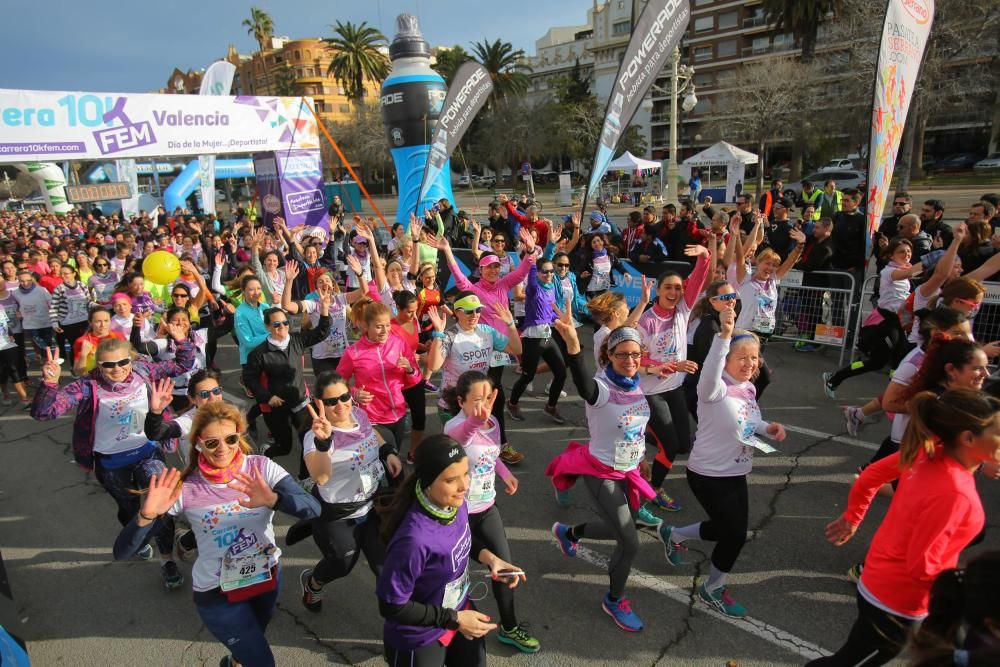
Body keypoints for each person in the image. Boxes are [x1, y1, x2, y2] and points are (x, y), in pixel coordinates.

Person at [112, 401, 321, 667]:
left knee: (248, 647)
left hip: (265, 578)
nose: (223, 449)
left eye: (231, 439)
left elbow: (314, 510)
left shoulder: (262, 468)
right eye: (212, 443)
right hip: (216, 592)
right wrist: (147, 515)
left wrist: (274, 499)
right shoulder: (184, 488)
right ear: (198, 442)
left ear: (239, 436)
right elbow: (122, 553)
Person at [812, 389, 999, 666]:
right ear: (968, 438)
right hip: (896, 603)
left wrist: (854, 516)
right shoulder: (955, 493)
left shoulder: (929, 453)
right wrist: (972, 594)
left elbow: (870, 475)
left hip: (878, 580)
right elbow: (922, 564)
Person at [31, 332, 194, 590]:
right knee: (129, 510)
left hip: (146, 451)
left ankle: (167, 560)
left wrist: (181, 340)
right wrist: (49, 383)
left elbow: (184, 364)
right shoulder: (87, 386)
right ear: (99, 365)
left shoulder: (143, 371)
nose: (116, 369)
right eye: (108, 364)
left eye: (121, 362)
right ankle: (136, 538)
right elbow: (44, 413)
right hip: (111, 463)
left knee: (159, 507)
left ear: (131, 360)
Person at [659, 308, 786, 617]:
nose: (749, 363)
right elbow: (711, 368)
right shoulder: (712, 390)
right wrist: (725, 335)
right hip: (707, 474)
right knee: (735, 535)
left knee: (726, 529)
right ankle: (712, 589)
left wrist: (766, 427)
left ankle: (673, 535)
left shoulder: (749, 387)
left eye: (754, 358)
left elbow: (749, 420)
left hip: (736, 471)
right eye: (741, 357)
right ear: (726, 359)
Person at [547, 322, 660, 633]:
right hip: (601, 473)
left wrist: (643, 459)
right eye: (622, 354)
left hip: (631, 470)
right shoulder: (601, 388)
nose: (630, 360)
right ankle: (614, 600)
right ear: (608, 355)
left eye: (635, 354)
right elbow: (582, 383)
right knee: (629, 540)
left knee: (620, 527)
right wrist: (572, 345)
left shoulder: (634, 383)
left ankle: (569, 533)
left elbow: (634, 428)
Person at [376, 433, 525, 666]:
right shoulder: (413, 540)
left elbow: (461, 537)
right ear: (428, 482)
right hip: (420, 635)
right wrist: (454, 619)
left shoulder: (454, 502)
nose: (464, 485)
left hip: (458, 609)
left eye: (466, 473)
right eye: (451, 480)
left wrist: (491, 558)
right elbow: (392, 605)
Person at [442, 371, 538, 653]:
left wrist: (505, 472)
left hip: (487, 507)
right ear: (460, 401)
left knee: (507, 569)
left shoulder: (492, 421)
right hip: (458, 514)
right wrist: (475, 420)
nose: (484, 406)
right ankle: (437, 625)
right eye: (477, 401)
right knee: (451, 576)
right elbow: (465, 437)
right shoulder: (454, 428)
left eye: (488, 399)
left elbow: (490, 454)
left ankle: (509, 627)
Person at [423, 229, 537, 465]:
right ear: (480, 270)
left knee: (491, 397)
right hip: (472, 345)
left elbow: (524, 270)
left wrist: (531, 250)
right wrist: (446, 251)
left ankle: (493, 441)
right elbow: (457, 275)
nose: (494, 270)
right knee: (491, 396)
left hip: (496, 346)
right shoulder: (474, 290)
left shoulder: (505, 284)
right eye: (488, 267)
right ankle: (491, 443)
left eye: (496, 266)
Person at [298, 371, 403, 613]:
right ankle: (313, 583)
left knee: (386, 566)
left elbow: (370, 433)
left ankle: (397, 629)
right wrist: (323, 444)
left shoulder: (358, 413)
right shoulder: (316, 435)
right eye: (331, 401)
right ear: (319, 404)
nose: (340, 405)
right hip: (338, 513)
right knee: (342, 564)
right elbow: (320, 477)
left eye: (344, 397)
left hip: (372, 504)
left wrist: (387, 451)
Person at [636, 244, 711, 513]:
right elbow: (638, 361)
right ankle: (653, 489)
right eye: (668, 287)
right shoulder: (645, 321)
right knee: (669, 444)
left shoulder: (683, 310)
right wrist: (671, 365)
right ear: (657, 290)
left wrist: (704, 256)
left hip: (675, 389)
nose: (674, 292)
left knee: (681, 445)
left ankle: (638, 437)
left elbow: (700, 278)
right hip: (651, 392)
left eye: (678, 288)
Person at [823, 238, 928, 397]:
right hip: (885, 322)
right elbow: (908, 273)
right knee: (877, 362)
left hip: (899, 321)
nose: (906, 254)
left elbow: (921, 276)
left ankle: (895, 394)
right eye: (901, 251)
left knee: (899, 358)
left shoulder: (905, 270)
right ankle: (835, 377)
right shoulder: (888, 272)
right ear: (891, 255)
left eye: (908, 251)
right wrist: (933, 257)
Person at [244, 299, 331, 475]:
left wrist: (324, 310)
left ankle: (305, 477)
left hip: (301, 402)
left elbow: (321, 333)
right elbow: (250, 379)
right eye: (276, 324)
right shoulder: (259, 353)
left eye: (285, 322)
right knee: (285, 447)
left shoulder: (296, 341)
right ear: (268, 327)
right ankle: (267, 452)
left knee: (310, 440)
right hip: (277, 408)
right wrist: (267, 397)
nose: (282, 327)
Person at [338, 300, 421, 462]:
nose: (385, 331)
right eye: (378, 327)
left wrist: (410, 369)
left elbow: (415, 378)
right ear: (365, 326)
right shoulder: (353, 353)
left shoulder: (398, 343)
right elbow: (339, 385)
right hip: (373, 418)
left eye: (387, 325)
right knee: (389, 460)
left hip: (399, 414)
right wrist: (354, 394)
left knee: (390, 461)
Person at [506, 257, 568, 425]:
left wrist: (560, 320)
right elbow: (532, 275)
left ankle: (551, 406)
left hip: (547, 336)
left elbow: (552, 312)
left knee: (561, 372)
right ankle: (512, 404)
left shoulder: (551, 287)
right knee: (528, 376)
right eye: (545, 271)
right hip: (532, 339)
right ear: (538, 273)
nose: (549, 274)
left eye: (551, 271)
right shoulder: (533, 288)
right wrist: (533, 255)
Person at [72, 306, 126, 376]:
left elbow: (128, 362)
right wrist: (83, 355)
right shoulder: (82, 341)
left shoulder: (119, 337)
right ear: (90, 322)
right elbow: (78, 372)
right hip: (93, 381)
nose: (103, 325)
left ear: (110, 321)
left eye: (106, 321)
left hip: (116, 378)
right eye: (98, 321)